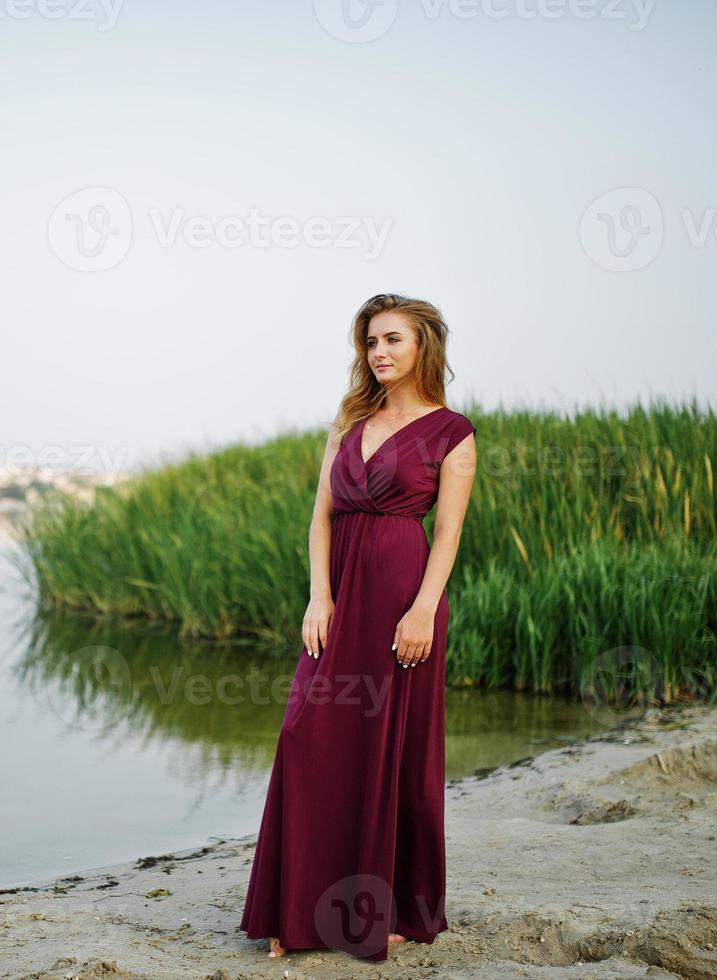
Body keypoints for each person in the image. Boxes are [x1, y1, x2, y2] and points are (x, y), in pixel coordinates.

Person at [238, 293, 477, 962]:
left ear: (422, 346)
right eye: (371, 341)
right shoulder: (348, 423)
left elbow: (449, 532)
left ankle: (392, 911)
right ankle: (297, 913)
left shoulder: (451, 431)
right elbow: (319, 517)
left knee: (391, 755)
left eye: (393, 339)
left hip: (403, 600)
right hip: (340, 600)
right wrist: (319, 597)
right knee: (305, 733)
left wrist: (423, 608)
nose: (378, 352)